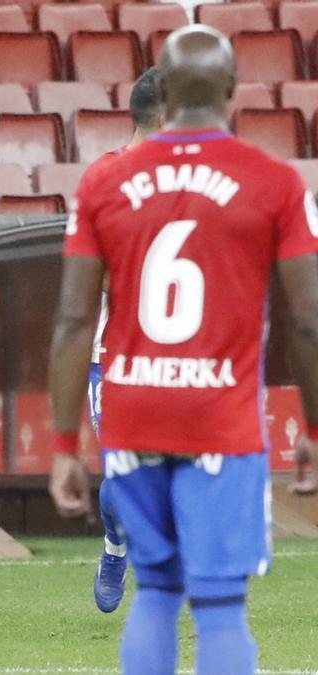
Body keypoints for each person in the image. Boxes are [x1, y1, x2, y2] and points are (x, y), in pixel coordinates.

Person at [48, 25, 318, 674]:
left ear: (161, 92)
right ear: (232, 92)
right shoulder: (274, 181)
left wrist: (63, 447)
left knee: (158, 593)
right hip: (221, 417)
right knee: (221, 606)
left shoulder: (105, 182)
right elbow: (309, 319)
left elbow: (72, 317)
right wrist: (312, 425)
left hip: (135, 410)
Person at [88, 66, 165, 615]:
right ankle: (116, 547)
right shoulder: (106, 176)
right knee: (120, 479)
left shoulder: (193, 178)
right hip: (113, 355)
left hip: (176, 359)